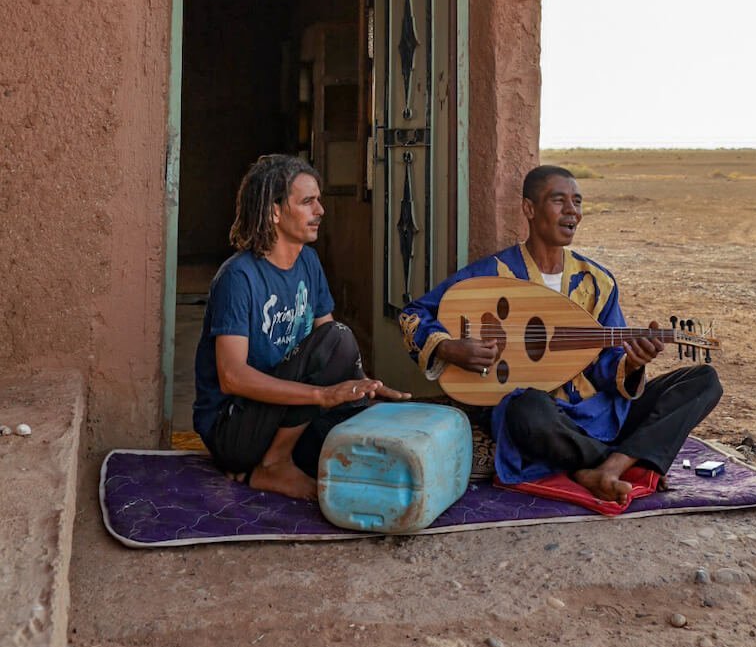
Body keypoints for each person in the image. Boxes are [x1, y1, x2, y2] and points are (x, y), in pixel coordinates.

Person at [399, 165, 722, 504]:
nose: (572, 211)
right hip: (546, 419)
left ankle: (607, 465)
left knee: (704, 381)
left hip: (599, 413)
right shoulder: (495, 273)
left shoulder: (597, 281)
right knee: (524, 409)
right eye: (559, 200)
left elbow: (607, 364)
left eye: (578, 202)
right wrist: (449, 348)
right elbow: (413, 314)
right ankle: (625, 459)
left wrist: (633, 363)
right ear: (529, 209)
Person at [193, 153, 408, 499]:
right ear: (275, 211)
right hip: (234, 426)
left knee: (355, 435)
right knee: (338, 340)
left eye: (318, 200)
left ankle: (270, 463)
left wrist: (360, 388)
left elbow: (331, 349)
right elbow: (231, 376)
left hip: (283, 417)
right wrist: (321, 396)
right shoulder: (238, 277)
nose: (320, 210)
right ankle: (273, 465)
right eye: (308, 201)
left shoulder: (308, 261)